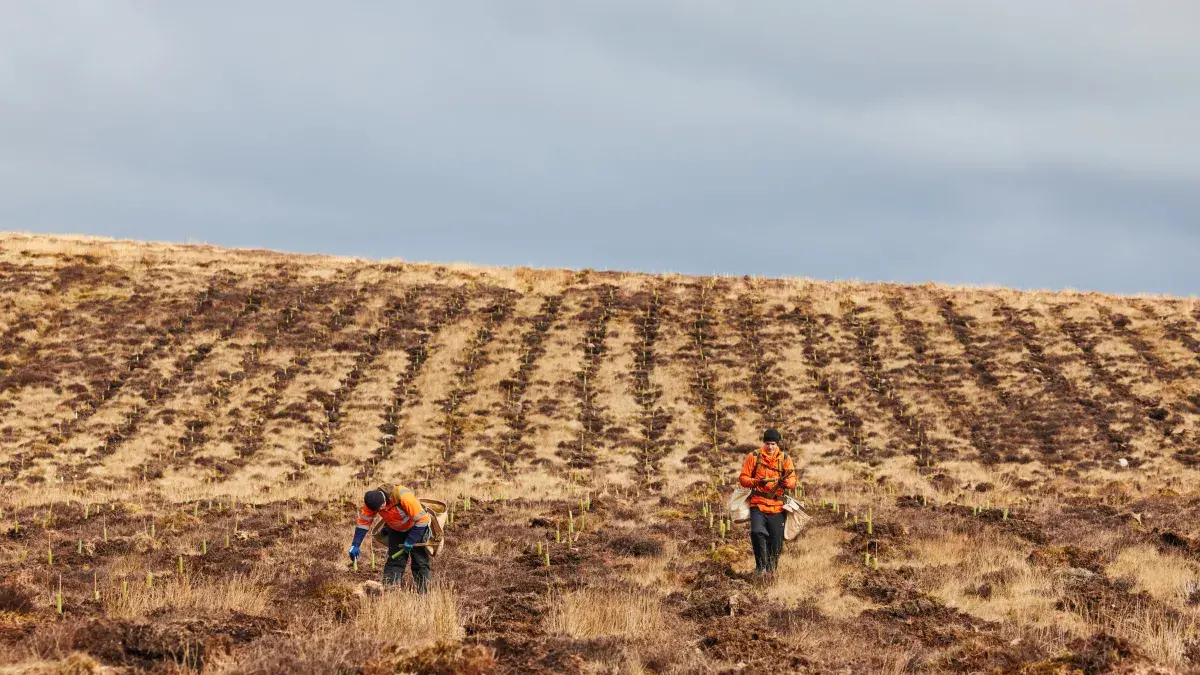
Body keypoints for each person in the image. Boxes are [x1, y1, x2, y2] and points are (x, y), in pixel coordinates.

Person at [348, 485, 433, 592]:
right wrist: (355, 544)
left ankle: (424, 593)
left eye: (381, 507)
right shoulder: (372, 503)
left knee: (419, 562)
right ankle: (390, 592)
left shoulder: (403, 496)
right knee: (394, 561)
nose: (381, 510)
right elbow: (363, 523)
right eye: (378, 510)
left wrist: (411, 540)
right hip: (396, 530)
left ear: (384, 501)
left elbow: (423, 520)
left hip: (416, 528)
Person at [738, 428, 797, 575]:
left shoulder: (785, 459)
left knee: (776, 542)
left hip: (777, 507)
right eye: (767, 443)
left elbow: (793, 480)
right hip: (757, 504)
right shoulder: (753, 457)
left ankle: (771, 571)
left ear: (777, 444)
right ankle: (761, 568)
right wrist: (757, 482)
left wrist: (786, 483)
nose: (770, 447)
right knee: (756, 532)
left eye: (773, 444)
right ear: (764, 443)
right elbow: (743, 478)